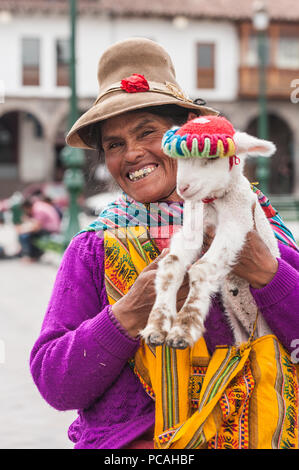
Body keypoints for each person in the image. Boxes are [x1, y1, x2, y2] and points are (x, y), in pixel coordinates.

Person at [30, 38, 299, 449]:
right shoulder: (95, 247)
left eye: (148, 132)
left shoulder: (255, 224)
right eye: (114, 144)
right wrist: (129, 312)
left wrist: (266, 272)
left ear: (188, 128)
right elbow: (56, 384)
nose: (133, 153)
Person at [17, 196, 61, 261]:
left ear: (27, 207)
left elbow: (36, 227)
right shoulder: (38, 205)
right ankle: (29, 255)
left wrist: (23, 230)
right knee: (28, 234)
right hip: (49, 228)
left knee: (30, 235)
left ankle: (32, 256)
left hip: (51, 230)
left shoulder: (38, 210)